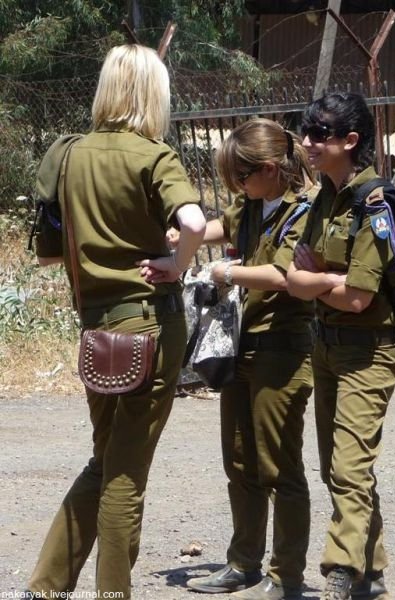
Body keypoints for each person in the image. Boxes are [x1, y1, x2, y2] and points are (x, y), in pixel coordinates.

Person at [26, 44, 206, 599]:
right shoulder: (154, 155)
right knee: (126, 472)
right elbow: (195, 220)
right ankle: (112, 594)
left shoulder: (68, 154)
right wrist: (177, 262)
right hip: (150, 325)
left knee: (105, 460)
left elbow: (49, 253)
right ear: (154, 94)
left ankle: (48, 585)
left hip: (96, 328)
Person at [148, 118, 317, 600]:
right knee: (239, 461)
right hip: (241, 345)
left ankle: (287, 575)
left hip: (282, 349)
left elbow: (283, 274)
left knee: (279, 467)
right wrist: (181, 236)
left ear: (268, 168)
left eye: (241, 177)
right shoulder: (253, 201)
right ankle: (243, 563)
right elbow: (225, 224)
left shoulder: (304, 210)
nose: (236, 188)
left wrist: (225, 271)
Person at [287, 92, 395, 600]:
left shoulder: (374, 203)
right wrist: (317, 279)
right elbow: (300, 264)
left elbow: (358, 297)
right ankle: (371, 572)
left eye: (320, 135)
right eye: (307, 133)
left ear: (350, 141)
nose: (308, 143)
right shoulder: (324, 199)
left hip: (368, 351)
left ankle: (339, 573)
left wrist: (310, 282)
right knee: (338, 467)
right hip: (328, 346)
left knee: (349, 467)